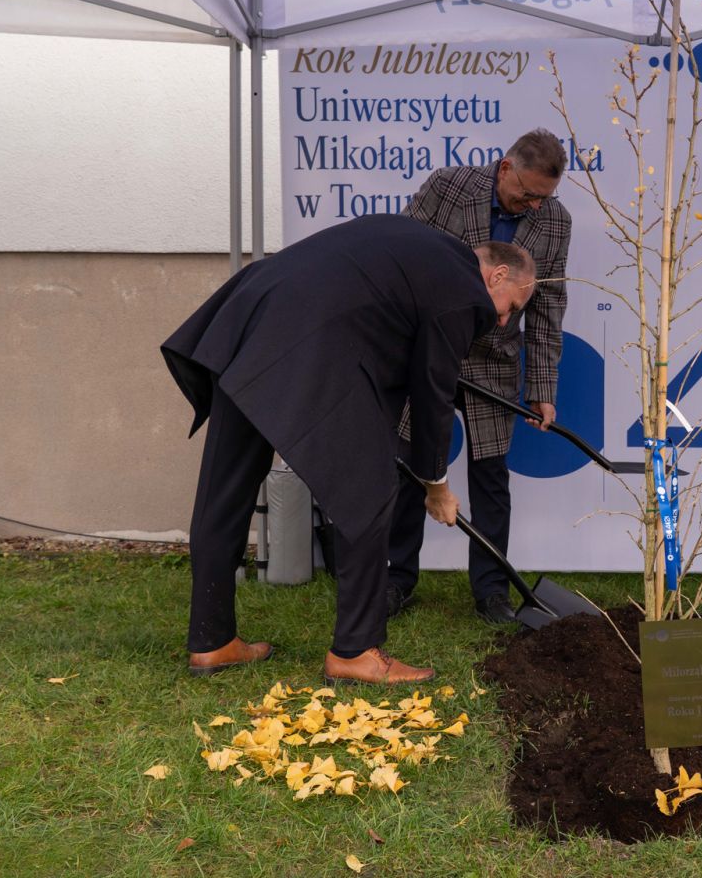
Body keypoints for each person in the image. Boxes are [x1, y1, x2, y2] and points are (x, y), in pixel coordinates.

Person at [161, 215, 535, 684]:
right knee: (370, 490)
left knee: (226, 488)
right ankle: (355, 652)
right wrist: (436, 486)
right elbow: (432, 392)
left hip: (249, 316)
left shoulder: (424, 249)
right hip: (308, 339)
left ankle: (211, 642)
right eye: (511, 306)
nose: (503, 320)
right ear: (497, 275)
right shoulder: (463, 289)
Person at [386, 129, 572, 626]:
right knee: (408, 466)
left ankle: (491, 592)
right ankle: (395, 580)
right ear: (505, 168)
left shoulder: (556, 221)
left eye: (544, 197)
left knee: (490, 477)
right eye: (527, 194)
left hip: (494, 360)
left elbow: (548, 306)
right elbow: (400, 257)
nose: (535, 206)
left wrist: (542, 388)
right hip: (429, 349)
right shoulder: (447, 187)